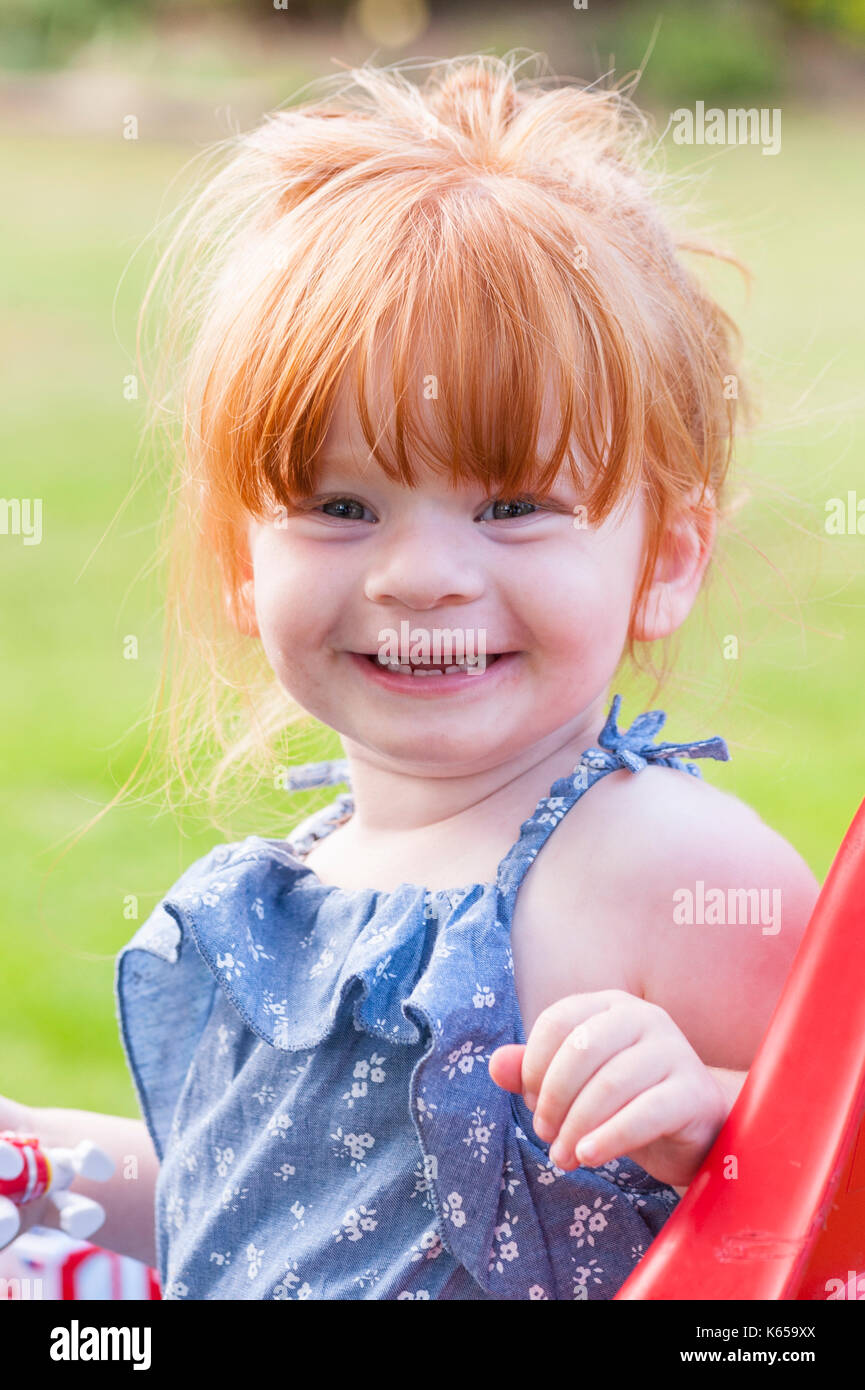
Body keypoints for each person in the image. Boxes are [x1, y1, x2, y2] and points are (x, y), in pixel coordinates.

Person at [3, 54, 820, 1300]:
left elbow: (832, 1215)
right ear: (241, 559)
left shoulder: (670, 870)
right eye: (340, 504)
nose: (421, 575)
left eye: (509, 503)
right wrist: (32, 1161)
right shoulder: (299, 894)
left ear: (665, 559)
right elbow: (241, 1225)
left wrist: (709, 1120)